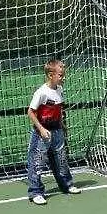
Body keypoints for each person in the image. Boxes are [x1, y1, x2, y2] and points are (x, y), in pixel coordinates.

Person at [26, 59, 81, 205]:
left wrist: (61, 123)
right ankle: (35, 192)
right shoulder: (41, 93)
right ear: (51, 75)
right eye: (60, 75)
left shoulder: (59, 89)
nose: (63, 78)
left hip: (57, 131)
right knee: (37, 162)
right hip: (42, 133)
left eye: (63, 75)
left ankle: (67, 185)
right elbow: (30, 112)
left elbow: (58, 108)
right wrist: (41, 129)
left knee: (61, 160)